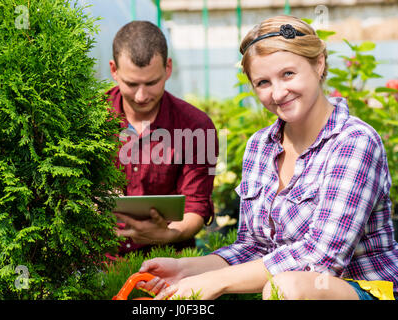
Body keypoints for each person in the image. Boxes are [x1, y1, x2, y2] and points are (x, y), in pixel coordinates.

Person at [136, 15, 398, 300]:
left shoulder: (354, 142)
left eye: (288, 74)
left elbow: (321, 258)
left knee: (286, 287)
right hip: (288, 288)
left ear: (319, 63)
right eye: (262, 82)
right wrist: (187, 269)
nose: (278, 92)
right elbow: (254, 248)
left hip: (367, 289)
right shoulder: (260, 146)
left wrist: (217, 282)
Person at [107, 21, 218, 255]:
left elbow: (196, 205)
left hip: (167, 258)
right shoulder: (88, 117)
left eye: (151, 83)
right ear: (113, 70)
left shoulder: (196, 127)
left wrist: (169, 234)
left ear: (168, 68)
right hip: (97, 259)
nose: (141, 95)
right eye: (131, 83)